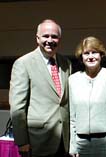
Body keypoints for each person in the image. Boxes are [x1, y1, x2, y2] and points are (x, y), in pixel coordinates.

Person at [9, 19, 71, 157]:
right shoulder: (23, 64)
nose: (50, 40)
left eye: (54, 36)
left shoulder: (66, 63)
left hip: (64, 141)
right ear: (37, 38)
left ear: (59, 39)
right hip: (36, 141)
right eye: (46, 36)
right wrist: (22, 141)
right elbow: (17, 107)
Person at [69, 36, 106, 157]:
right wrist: (73, 145)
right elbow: (72, 117)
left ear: (101, 55)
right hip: (81, 144)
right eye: (86, 53)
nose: (90, 57)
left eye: (94, 52)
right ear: (81, 57)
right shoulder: (73, 80)